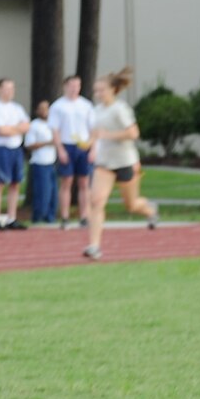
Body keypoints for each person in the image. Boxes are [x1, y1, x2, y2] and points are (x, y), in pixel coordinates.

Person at [84, 69, 158, 260]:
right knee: (97, 201)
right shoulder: (97, 110)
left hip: (126, 161)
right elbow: (95, 134)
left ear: (113, 90)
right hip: (105, 162)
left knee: (131, 205)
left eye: (101, 90)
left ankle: (150, 210)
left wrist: (109, 136)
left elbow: (133, 133)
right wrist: (88, 145)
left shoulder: (121, 109)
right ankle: (94, 246)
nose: (98, 94)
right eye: (96, 91)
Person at [46, 74, 94, 229]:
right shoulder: (58, 106)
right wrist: (60, 149)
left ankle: (84, 216)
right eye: (72, 85)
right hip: (67, 144)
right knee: (66, 181)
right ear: (65, 86)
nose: (75, 89)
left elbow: (94, 129)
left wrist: (93, 148)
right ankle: (65, 216)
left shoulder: (86, 105)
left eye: (77, 86)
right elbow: (55, 130)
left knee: (84, 182)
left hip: (83, 145)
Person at [0, 77, 28, 230]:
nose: (10, 91)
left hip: (16, 148)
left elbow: (26, 126)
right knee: (0, 183)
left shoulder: (17, 108)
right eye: (7, 88)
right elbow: (1, 131)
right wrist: (16, 128)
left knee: (15, 183)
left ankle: (11, 218)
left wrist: (12, 129)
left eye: (12, 88)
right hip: (1, 148)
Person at [24, 100, 59, 226]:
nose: (45, 111)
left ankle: (50, 217)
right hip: (39, 163)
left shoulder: (53, 125)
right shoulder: (34, 125)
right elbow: (29, 144)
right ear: (37, 111)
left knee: (53, 193)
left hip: (52, 163)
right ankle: (38, 217)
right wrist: (47, 143)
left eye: (47, 108)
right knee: (43, 192)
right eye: (42, 109)